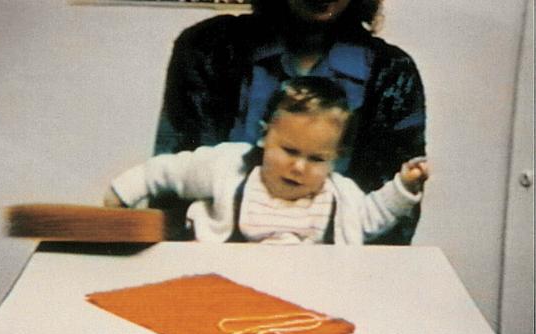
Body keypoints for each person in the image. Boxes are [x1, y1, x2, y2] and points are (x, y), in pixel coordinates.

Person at [153, 0, 427, 245]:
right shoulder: (207, 47)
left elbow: (390, 224)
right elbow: (173, 189)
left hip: (336, 278)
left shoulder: (392, 72)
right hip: (210, 266)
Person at [106, 77, 428, 244]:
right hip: (224, 282)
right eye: (289, 151)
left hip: (310, 294)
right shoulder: (229, 167)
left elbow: (373, 216)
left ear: (336, 158)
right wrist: (124, 191)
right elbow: (171, 170)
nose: (299, 167)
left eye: (316, 158)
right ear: (264, 136)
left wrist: (403, 187)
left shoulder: (340, 196)